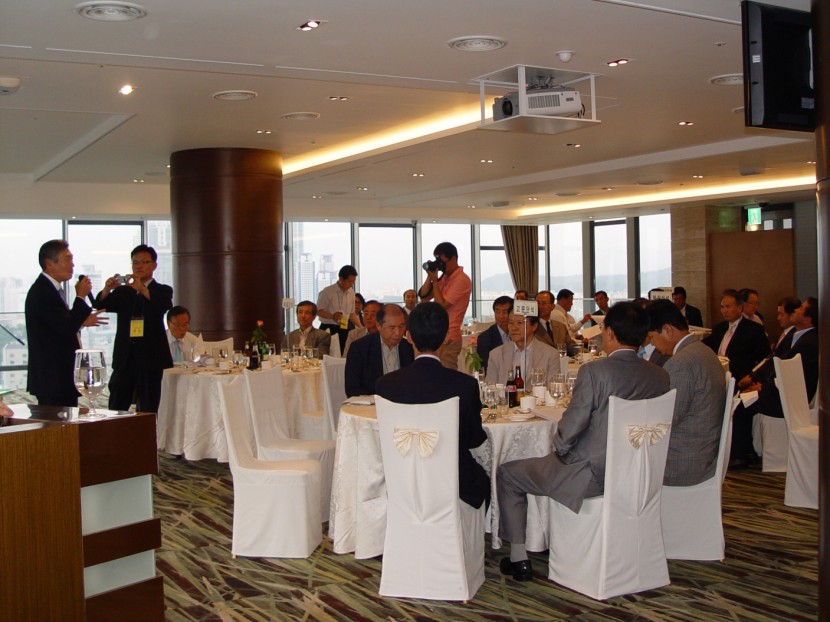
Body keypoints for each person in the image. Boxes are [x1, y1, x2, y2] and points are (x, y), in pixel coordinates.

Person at [496, 302, 670, 581]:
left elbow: (568, 433)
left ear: (609, 333)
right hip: (641, 473)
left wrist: (559, 450)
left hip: (589, 476)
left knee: (508, 473)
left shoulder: (595, 372)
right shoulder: (660, 375)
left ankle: (518, 558)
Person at [375, 302, 490, 510]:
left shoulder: (386, 385)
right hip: (455, 485)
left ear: (408, 336)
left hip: (400, 482)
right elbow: (473, 439)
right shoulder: (464, 385)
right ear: (446, 337)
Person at [731, 297, 819, 468]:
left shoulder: (809, 343)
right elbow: (774, 362)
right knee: (742, 398)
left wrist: (762, 388)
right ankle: (748, 452)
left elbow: (794, 378)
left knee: (741, 405)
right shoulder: (795, 334)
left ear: (808, 319)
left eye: (801, 309)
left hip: (789, 397)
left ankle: (741, 455)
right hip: (780, 388)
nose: (796, 310)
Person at [647, 300, 727, 485]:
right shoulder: (705, 351)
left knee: (622, 456)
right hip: (703, 451)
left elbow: (666, 419)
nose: (652, 344)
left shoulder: (680, 363)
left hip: (682, 461)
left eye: (652, 337)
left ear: (667, 330)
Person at [25, 239, 106, 406]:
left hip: (60, 376)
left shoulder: (52, 289)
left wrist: (82, 322)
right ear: (49, 263)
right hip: (52, 377)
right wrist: (80, 297)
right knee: (55, 421)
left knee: (67, 419)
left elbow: (59, 324)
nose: (72, 264)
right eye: (67, 259)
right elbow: (65, 328)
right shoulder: (42, 291)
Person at [94, 244, 173, 412]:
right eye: (135, 262)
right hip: (125, 356)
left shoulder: (162, 290)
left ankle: (148, 430)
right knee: (117, 402)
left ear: (154, 265)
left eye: (144, 262)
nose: (139, 266)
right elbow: (101, 304)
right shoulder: (124, 291)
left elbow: (163, 305)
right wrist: (108, 288)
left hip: (150, 358)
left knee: (149, 405)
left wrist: (142, 289)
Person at [417, 242, 471, 370]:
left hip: (450, 337)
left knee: (447, 373)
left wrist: (435, 281)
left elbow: (441, 305)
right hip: (438, 335)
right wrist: (430, 276)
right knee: (434, 373)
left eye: (442, 261)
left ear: (454, 258)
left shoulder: (462, 279)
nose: (440, 265)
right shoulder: (445, 277)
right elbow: (424, 297)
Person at [345, 304, 413, 397]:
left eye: (401, 326)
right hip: (372, 403)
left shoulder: (410, 348)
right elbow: (352, 389)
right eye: (392, 327)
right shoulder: (360, 348)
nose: (397, 333)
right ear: (379, 326)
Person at [702, 289, 769, 382]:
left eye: (728, 307)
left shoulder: (754, 329)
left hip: (739, 377)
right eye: (722, 307)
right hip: (715, 373)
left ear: (739, 308)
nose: (724, 311)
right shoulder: (719, 328)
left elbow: (764, 358)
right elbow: (705, 344)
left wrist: (752, 376)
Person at [738, 296, 800, 391]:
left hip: (772, 384)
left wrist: (758, 382)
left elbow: (776, 363)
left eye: (781, 314)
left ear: (792, 315)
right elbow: (768, 359)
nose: (778, 318)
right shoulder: (785, 333)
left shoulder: (792, 337)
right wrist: (752, 375)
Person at [485, 312, 559, 385]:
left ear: (534, 326)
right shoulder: (496, 354)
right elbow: (490, 387)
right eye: (510, 323)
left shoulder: (551, 354)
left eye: (520, 323)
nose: (514, 328)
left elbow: (553, 388)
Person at [317, 265, 362, 347]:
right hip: (329, 327)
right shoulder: (327, 292)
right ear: (341, 279)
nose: (351, 285)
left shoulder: (351, 292)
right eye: (349, 282)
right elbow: (319, 311)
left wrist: (361, 327)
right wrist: (332, 316)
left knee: (345, 351)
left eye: (353, 282)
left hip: (345, 327)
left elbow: (352, 314)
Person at [475, 296, 512, 371]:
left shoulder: (519, 334)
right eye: (497, 312)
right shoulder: (485, 338)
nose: (501, 316)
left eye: (505, 312)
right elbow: (487, 367)